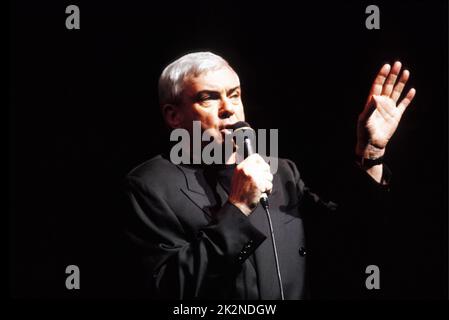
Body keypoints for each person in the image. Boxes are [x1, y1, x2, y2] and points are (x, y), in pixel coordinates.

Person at [123, 51, 416, 299]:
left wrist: (372, 154)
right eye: (209, 98)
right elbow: (167, 289)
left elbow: (351, 236)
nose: (229, 109)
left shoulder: (282, 170)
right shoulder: (150, 185)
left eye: (235, 95)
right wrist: (238, 208)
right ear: (174, 116)